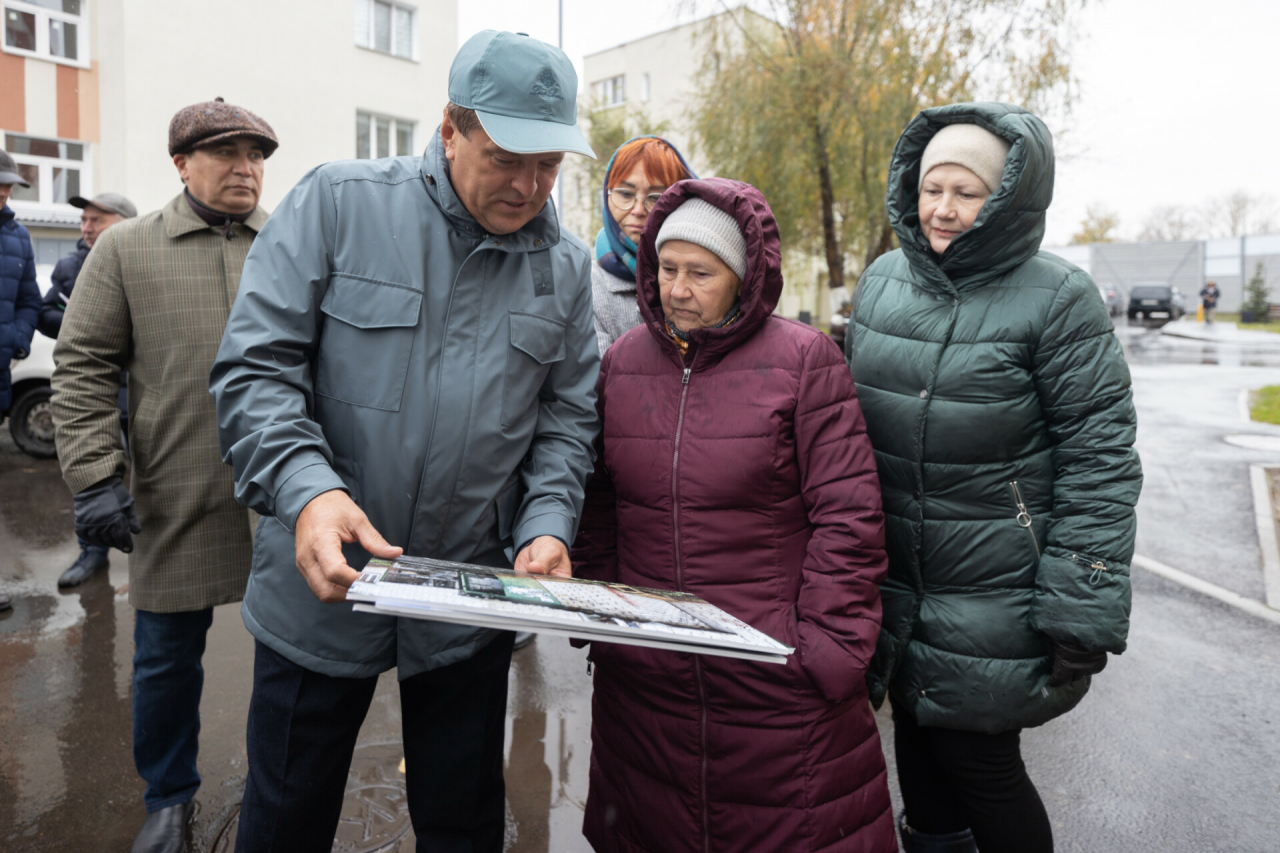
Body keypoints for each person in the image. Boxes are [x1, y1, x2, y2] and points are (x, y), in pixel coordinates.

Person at [209, 31, 599, 853]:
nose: (529, 186)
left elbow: (566, 418)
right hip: (321, 585)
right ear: (451, 128)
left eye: (550, 165)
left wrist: (548, 523)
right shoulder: (338, 205)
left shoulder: (563, 267)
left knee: (461, 822)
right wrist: (308, 489)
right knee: (285, 814)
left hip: (465, 596)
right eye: (506, 158)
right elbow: (254, 370)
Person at [844, 104, 1142, 853]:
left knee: (980, 761)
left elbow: (1099, 457)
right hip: (895, 581)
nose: (943, 208)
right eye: (931, 186)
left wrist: (1083, 598)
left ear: (1007, 198)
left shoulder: (1058, 299)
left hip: (995, 588)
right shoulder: (883, 282)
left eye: (967, 192)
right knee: (916, 750)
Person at [572, 178, 897, 853]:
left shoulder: (804, 361)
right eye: (666, 269)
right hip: (648, 690)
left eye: (701, 272)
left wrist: (826, 648)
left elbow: (850, 515)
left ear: (744, 279)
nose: (678, 289)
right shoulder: (621, 366)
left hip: (776, 688)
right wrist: (606, 618)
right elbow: (598, 503)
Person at [52, 98, 278, 853]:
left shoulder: (286, 245)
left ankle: (277, 787)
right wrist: (93, 476)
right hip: (171, 492)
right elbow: (82, 367)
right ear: (181, 164)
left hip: (278, 496)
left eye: (255, 156)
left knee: (290, 652)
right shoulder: (126, 251)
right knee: (164, 662)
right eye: (227, 154)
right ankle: (168, 797)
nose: (246, 169)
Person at [39, 192, 138, 590]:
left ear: (125, 221)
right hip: (94, 390)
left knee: (146, 475)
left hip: (140, 390)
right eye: (84, 220)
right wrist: (88, 331)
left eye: (97, 219)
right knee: (91, 473)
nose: (86, 227)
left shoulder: (145, 257)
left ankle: (147, 546)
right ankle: (92, 551)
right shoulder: (70, 265)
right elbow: (46, 311)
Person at [592, 135, 695, 353]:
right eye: (625, 193)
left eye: (656, 198)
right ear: (607, 195)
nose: (638, 210)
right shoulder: (586, 285)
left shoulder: (707, 274)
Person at [0, 149, 42, 614]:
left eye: (9, 185)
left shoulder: (18, 236)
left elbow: (30, 300)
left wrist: (16, 339)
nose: (4, 193)